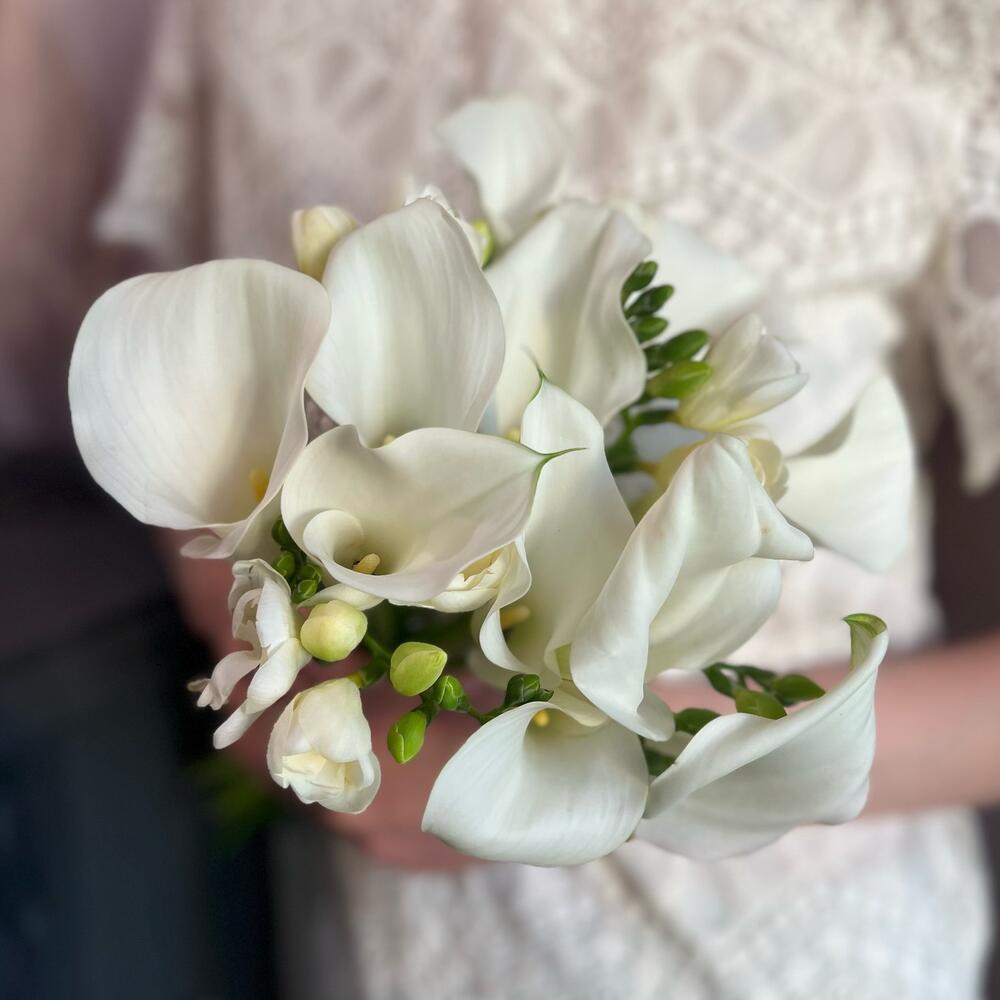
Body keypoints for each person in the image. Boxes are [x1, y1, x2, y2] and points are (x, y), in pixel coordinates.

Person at [94, 1, 1000, 997]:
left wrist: (607, 761)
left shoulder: (936, 34)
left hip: (771, 936)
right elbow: (173, 351)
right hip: (377, 893)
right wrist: (270, 660)